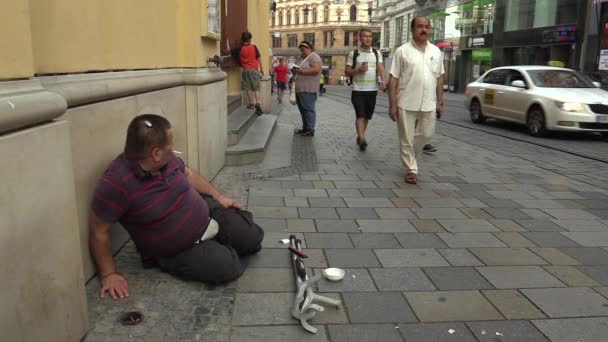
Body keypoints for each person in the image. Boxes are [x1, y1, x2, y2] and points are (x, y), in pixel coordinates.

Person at [89, 114, 264, 300]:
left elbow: (188, 174)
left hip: (206, 212)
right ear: (155, 154)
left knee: (252, 238)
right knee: (227, 267)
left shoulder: (167, 160)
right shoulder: (116, 184)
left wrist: (219, 197)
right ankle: (204, 253)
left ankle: (221, 240)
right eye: (170, 144)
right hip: (178, 248)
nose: (173, 148)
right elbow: (98, 231)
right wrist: (108, 275)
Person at [388, 16, 444, 184]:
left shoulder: (436, 51)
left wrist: (440, 102)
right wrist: (392, 105)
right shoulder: (402, 51)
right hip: (406, 102)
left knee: (426, 135)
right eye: (420, 26)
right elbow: (393, 79)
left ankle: (410, 156)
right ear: (412, 29)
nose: (424, 30)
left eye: (426, 27)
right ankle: (411, 169)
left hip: (429, 103)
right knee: (406, 137)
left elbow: (440, 77)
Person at [345, 28, 386, 152]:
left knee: (367, 116)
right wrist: (358, 70)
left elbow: (380, 68)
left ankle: (360, 135)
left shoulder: (376, 53)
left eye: (370, 36)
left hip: (372, 90)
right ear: (360, 38)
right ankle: (362, 138)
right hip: (358, 90)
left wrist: (383, 80)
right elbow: (347, 71)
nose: (368, 38)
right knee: (360, 115)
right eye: (365, 36)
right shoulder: (354, 54)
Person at [292, 41, 322, 137]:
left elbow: (316, 70)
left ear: (310, 48)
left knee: (308, 109)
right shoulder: (301, 58)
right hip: (300, 88)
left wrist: (301, 72)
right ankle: (305, 127)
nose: (302, 51)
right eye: (301, 50)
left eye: (304, 49)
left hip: (308, 88)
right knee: (303, 109)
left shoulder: (314, 57)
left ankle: (310, 129)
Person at [233, 31, 264, 115]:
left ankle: (251, 104)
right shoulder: (254, 47)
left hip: (245, 70)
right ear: (250, 39)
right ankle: (258, 103)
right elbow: (259, 59)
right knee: (256, 87)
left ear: (242, 39)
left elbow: (230, 51)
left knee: (248, 88)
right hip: (254, 69)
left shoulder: (239, 49)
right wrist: (261, 69)